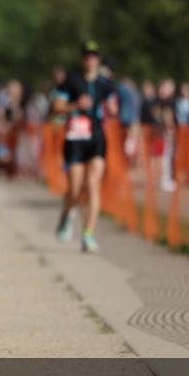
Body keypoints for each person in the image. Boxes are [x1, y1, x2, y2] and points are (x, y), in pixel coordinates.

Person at [52, 40, 118, 253]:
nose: (90, 59)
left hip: (96, 138)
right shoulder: (71, 81)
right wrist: (75, 105)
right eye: (87, 56)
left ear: (98, 59)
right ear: (82, 58)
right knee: (75, 189)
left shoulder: (105, 83)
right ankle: (66, 215)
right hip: (75, 139)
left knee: (93, 184)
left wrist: (113, 108)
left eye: (94, 56)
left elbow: (113, 107)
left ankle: (88, 234)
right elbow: (56, 107)